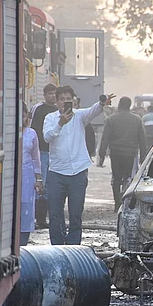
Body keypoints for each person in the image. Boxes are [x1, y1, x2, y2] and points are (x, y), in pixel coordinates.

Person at [43, 86, 115, 245]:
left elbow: (93, 110)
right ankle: (57, 246)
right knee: (55, 214)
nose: (65, 102)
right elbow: (47, 137)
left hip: (78, 172)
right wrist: (60, 124)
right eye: (62, 99)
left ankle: (74, 247)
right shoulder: (50, 118)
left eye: (68, 98)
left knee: (75, 214)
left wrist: (102, 102)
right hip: (57, 172)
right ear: (56, 101)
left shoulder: (80, 116)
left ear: (73, 100)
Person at [97, 96, 147, 212]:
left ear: (119, 104)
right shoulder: (137, 119)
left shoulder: (111, 119)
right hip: (131, 153)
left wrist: (102, 155)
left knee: (116, 178)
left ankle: (116, 203)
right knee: (128, 178)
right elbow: (142, 139)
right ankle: (125, 201)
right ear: (129, 105)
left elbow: (105, 138)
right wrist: (143, 157)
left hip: (116, 153)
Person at [30, 83, 58, 228]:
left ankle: (42, 219)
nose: (53, 96)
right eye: (50, 93)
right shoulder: (39, 109)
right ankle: (35, 217)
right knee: (40, 184)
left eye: (54, 93)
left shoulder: (57, 110)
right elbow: (33, 130)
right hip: (41, 152)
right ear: (45, 95)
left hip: (54, 153)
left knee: (49, 185)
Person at [21, 103, 43, 246]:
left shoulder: (31, 133)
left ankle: (22, 244)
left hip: (27, 178)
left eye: (23, 115)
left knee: (26, 209)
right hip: (9, 177)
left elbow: (36, 158)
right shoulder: (5, 133)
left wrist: (38, 179)